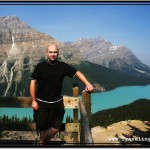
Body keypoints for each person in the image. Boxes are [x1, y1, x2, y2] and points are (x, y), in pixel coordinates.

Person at [30, 44, 94, 144]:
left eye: (55, 52)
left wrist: (88, 83)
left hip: (57, 104)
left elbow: (77, 73)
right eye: (50, 52)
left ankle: (41, 143)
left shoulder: (62, 66)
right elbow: (33, 82)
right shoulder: (40, 67)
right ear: (46, 53)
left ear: (58, 53)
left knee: (57, 127)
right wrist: (33, 100)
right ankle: (42, 144)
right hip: (42, 104)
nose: (53, 54)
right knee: (42, 129)